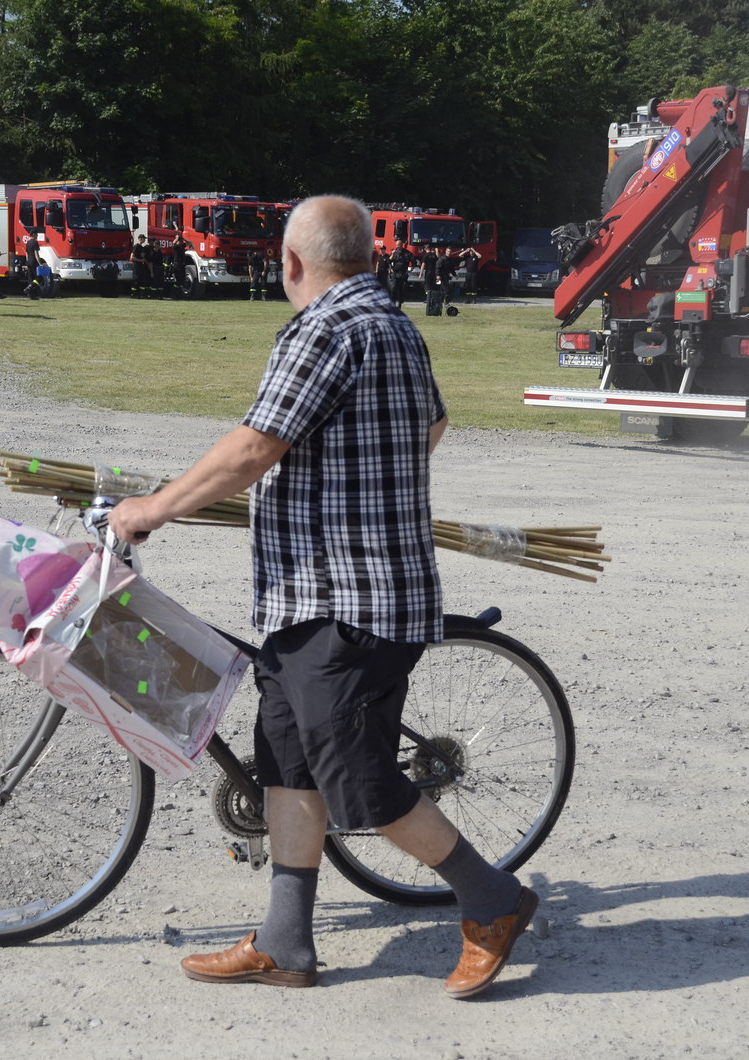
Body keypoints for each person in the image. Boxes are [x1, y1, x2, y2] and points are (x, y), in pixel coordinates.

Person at [108, 195, 537, 1000]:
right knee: (288, 765)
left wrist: (152, 507)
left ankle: (494, 899)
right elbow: (431, 427)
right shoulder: (398, 326)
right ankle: (286, 942)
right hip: (319, 600)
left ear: (292, 263)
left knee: (361, 786)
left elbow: (254, 446)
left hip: (348, 600)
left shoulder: (326, 328)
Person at [388, 241, 412, 310]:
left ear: (402, 245)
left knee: (402, 289)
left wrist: (409, 270)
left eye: (398, 245)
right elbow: (389, 261)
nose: (397, 247)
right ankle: (393, 303)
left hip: (403, 273)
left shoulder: (407, 253)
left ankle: (400, 304)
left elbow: (414, 262)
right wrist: (392, 254)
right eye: (396, 245)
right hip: (395, 273)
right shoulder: (394, 253)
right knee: (393, 288)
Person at [422, 247, 444, 317]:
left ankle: (428, 297)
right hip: (434, 273)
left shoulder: (426, 255)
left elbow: (423, 264)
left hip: (428, 272)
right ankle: (431, 297)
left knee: (427, 286)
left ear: (425, 249)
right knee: (432, 285)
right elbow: (438, 259)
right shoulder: (434, 255)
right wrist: (437, 251)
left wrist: (420, 273)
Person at [23, 232, 43, 299]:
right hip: (34, 261)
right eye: (36, 235)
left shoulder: (28, 242)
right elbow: (36, 254)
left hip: (29, 261)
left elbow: (26, 253)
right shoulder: (35, 243)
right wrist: (40, 263)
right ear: (33, 234)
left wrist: (27, 262)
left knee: (31, 278)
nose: (37, 236)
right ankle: (29, 288)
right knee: (39, 277)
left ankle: (31, 295)